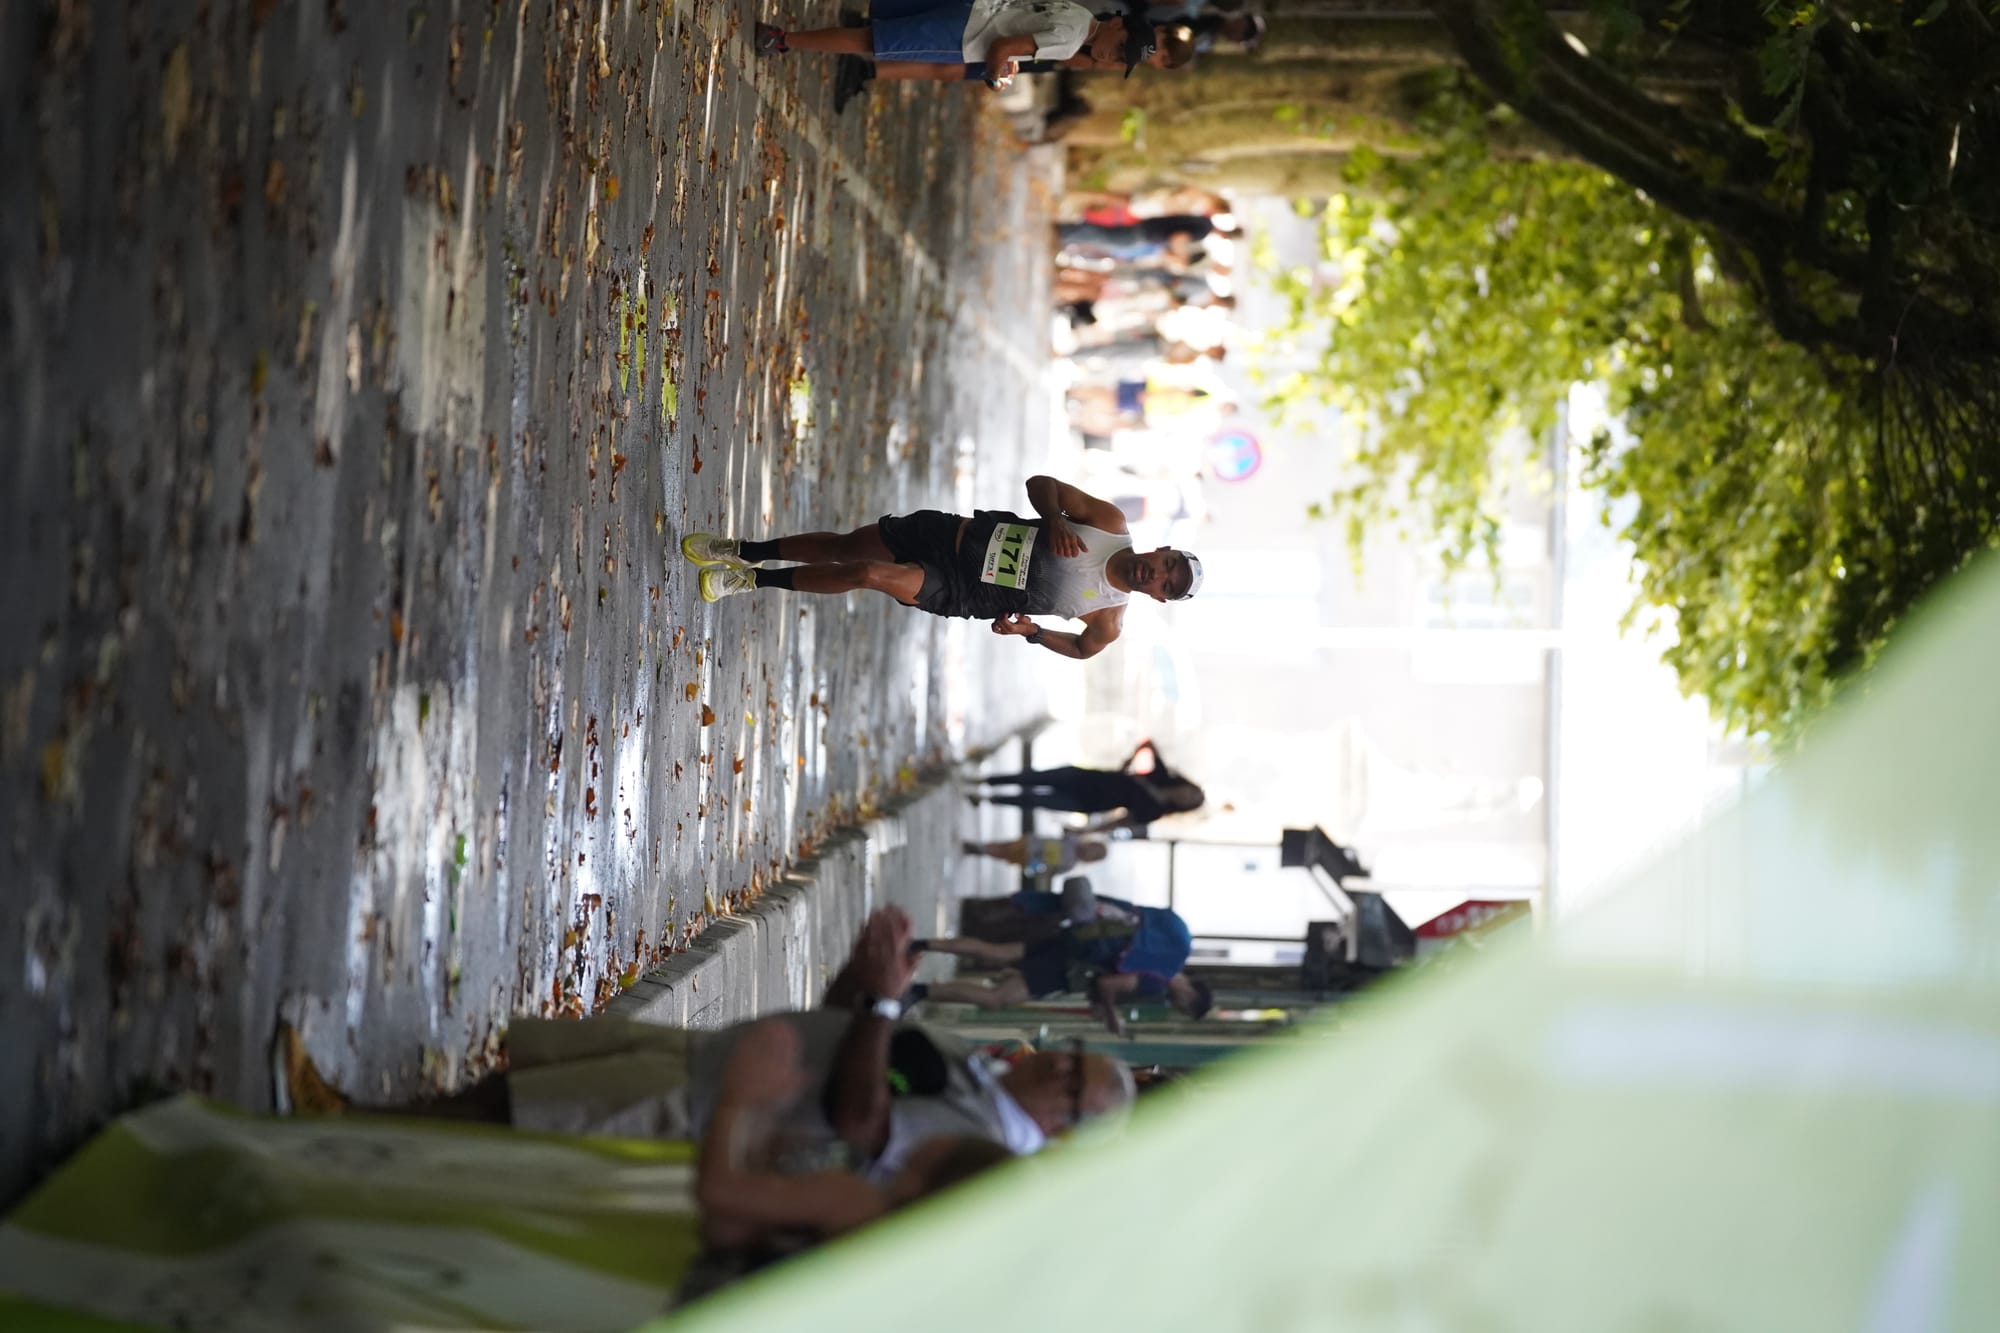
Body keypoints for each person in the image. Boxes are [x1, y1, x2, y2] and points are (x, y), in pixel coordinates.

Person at [280, 907, 1136, 1187]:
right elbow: (844, 1032)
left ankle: (335, 1142)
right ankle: (351, 1119)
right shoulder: (983, 1080)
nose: (1054, 1070)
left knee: (513, 1123)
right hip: (711, 1063)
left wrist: (880, 1001)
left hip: (704, 1112)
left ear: (1061, 1133)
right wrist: (862, 979)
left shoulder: (982, 1143)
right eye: (1069, 1059)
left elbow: (861, 1117)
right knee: (516, 1090)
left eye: (1071, 1089)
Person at [680, 475, 1204, 660]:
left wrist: (1033, 632)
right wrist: (1056, 521)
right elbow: (1039, 485)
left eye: (1166, 585)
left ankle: (751, 579)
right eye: (1166, 565)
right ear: (1162, 551)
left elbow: (1082, 650)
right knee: (845, 547)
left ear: (1158, 598)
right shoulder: (1108, 523)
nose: (1156, 575)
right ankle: (747, 549)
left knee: (866, 573)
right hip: (950, 535)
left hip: (960, 590)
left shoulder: (1108, 620)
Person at [679, 1017, 1015, 1303]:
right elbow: (731, 1228)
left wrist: (739, 1099)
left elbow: (719, 1193)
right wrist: (765, 1115)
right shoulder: (897, 1266)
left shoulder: (860, 1205)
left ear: (946, 1160)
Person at [913, 880, 1213, 1035]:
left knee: (997, 952)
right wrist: (1111, 1015)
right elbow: (1109, 984)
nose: (1176, 1006)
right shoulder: (1156, 981)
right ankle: (922, 991)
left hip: (1073, 940)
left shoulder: (1167, 950)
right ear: (1190, 996)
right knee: (997, 998)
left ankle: (923, 944)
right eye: (1183, 1008)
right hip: (1065, 968)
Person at [755, 0, 1139, 86]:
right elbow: (1000, 50)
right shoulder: (1072, 42)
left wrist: (1007, 59)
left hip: (974, 6)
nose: (1112, 56)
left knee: (875, 17)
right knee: (871, 41)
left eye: (1120, 60)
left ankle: (784, 39)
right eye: (1122, 46)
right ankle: (781, 39)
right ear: (1118, 23)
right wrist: (994, 76)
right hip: (962, 34)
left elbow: (1016, 33)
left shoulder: (1077, 12)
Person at [970, 738, 1205, 832]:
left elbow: (1121, 822)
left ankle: (988, 798)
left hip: (1088, 802)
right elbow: (1149, 743)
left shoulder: (1154, 811)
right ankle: (986, 781)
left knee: (1035, 800)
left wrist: (1086, 832)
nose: (1185, 795)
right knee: (1034, 778)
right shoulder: (1161, 776)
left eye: (1189, 800)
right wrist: (1130, 760)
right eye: (1190, 792)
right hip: (1087, 778)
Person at [963, 830, 1111, 876]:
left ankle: (984, 851)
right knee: (1005, 846)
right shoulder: (1073, 840)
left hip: (1032, 859)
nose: (1090, 851)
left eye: (1094, 854)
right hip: (1032, 844)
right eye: (1093, 848)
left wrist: (1038, 870)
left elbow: (1052, 871)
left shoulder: (1070, 864)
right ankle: (983, 848)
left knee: (1005, 854)